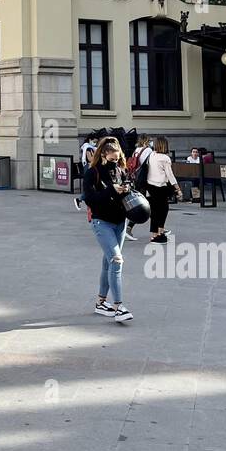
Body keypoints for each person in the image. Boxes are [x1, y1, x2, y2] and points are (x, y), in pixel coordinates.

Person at [82, 137, 134, 324]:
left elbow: (127, 191)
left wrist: (127, 189)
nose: (115, 158)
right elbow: (91, 199)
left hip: (120, 222)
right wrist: (113, 190)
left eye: (117, 154)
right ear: (103, 153)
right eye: (112, 155)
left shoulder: (121, 170)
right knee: (117, 260)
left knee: (108, 262)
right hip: (101, 222)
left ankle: (101, 303)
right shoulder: (92, 172)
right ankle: (119, 306)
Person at [145, 137, 176, 245]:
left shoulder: (152, 155)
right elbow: (170, 175)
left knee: (154, 211)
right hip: (160, 186)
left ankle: (154, 234)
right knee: (163, 210)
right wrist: (177, 188)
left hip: (150, 185)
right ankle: (160, 233)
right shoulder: (165, 158)